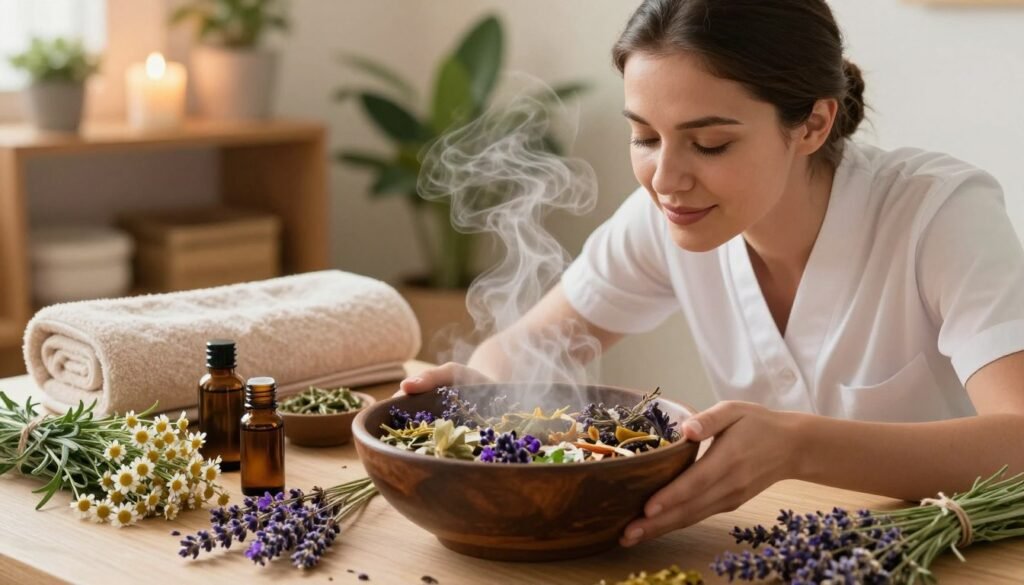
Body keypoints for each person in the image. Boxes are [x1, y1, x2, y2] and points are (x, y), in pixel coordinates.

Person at [399, 0, 1024, 549]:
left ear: (812, 123)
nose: (666, 179)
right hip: (778, 551)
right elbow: (525, 345)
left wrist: (797, 446)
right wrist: (486, 394)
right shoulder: (663, 217)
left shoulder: (938, 214)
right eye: (644, 136)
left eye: (711, 144)